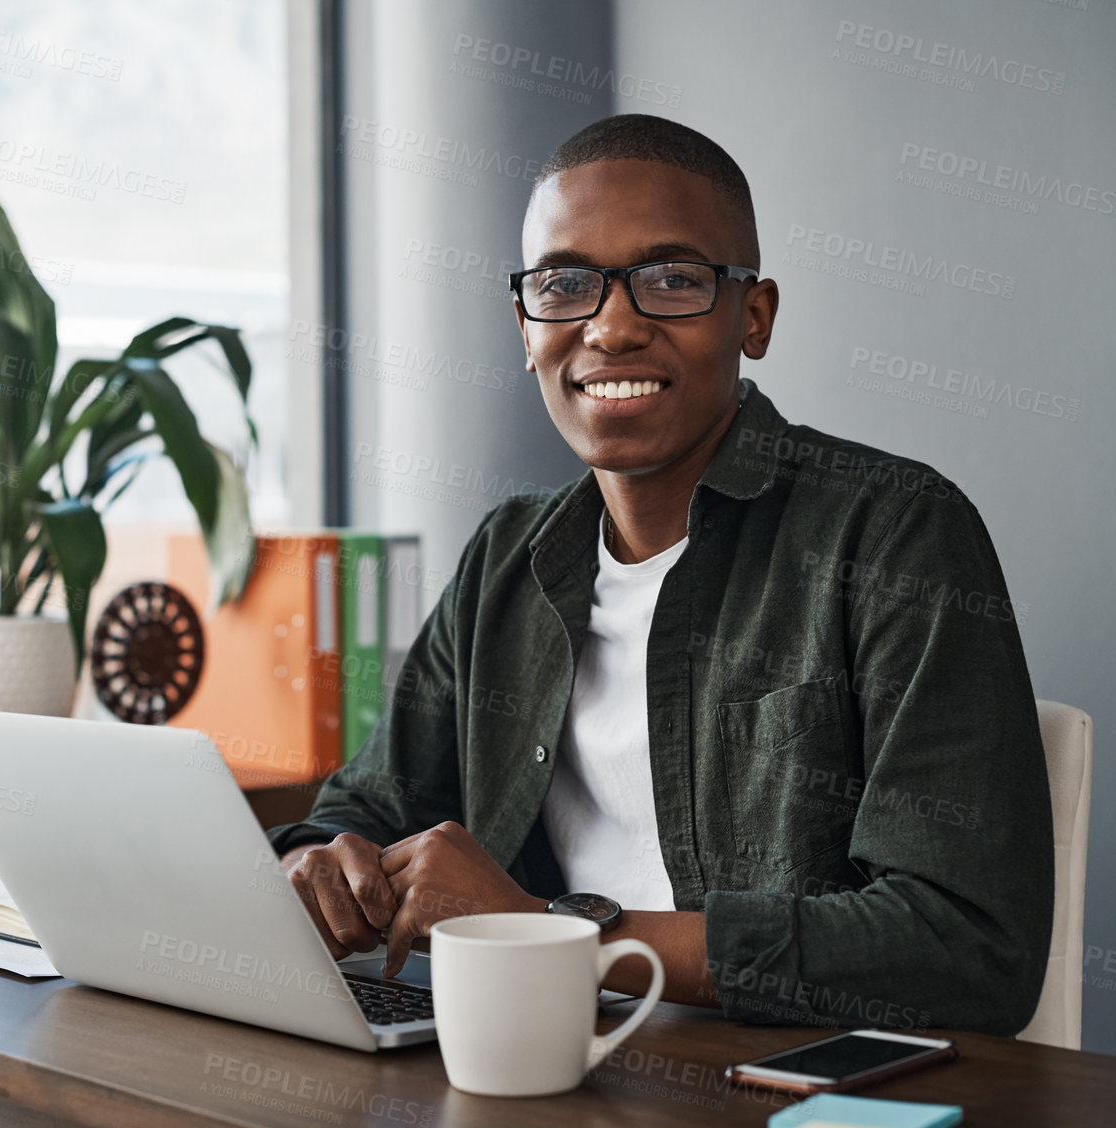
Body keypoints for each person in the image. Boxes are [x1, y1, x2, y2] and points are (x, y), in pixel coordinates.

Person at [268, 114, 1054, 1034]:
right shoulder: (506, 559)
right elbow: (366, 809)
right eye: (564, 285)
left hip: (782, 1095)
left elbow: (964, 948)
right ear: (526, 327)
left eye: (671, 281)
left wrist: (549, 932)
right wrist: (319, 863)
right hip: (537, 1063)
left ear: (751, 316)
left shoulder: (895, 533)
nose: (610, 327)